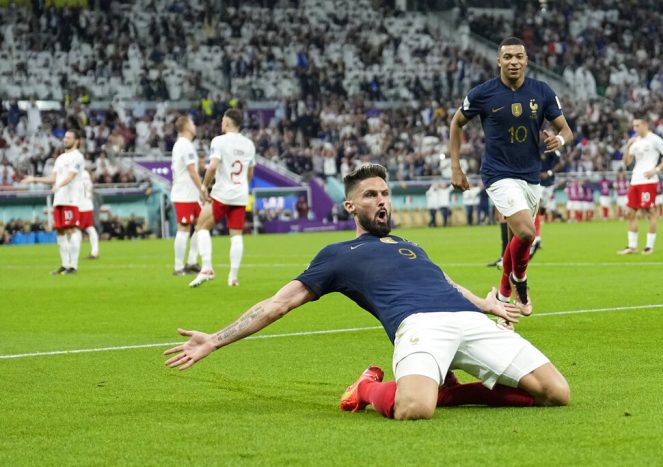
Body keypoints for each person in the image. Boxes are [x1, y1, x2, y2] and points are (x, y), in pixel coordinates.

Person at [164, 164, 570, 420]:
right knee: (414, 409)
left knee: (556, 394)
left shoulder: (410, 245)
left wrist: (486, 304)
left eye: (385, 194)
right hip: (418, 327)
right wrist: (215, 340)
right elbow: (278, 304)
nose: (382, 202)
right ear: (350, 207)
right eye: (371, 195)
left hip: (470, 321)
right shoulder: (338, 255)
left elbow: (444, 283)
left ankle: (446, 390)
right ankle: (366, 387)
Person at [449, 37, 573, 310]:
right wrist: (456, 167)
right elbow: (456, 123)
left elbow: (566, 130)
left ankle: (505, 296)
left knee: (518, 237)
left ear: (526, 60)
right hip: (498, 174)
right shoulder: (483, 93)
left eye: (518, 56)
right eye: (508, 57)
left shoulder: (542, 91)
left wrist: (559, 141)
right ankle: (520, 281)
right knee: (527, 233)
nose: (513, 62)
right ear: (499, 61)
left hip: (531, 176)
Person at [189, 108, 256, 288]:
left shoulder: (219, 141)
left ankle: (207, 268)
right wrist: (241, 185)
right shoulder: (249, 144)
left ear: (226, 122)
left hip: (222, 193)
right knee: (236, 235)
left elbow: (212, 167)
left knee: (201, 226)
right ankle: (233, 277)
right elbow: (250, 173)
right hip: (240, 194)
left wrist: (204, 185)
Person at [20, 129, 85, 274]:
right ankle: (64, 264)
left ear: (77, 141)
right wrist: (34, 179)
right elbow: (53, 178)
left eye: (68, 138)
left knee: (71, 229)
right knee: (60, 231)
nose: (65, 140)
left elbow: (71, 176)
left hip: (71, 199)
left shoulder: (78, 157)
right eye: (65, 137)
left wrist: (58, 185)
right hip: (59, 198)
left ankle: (73, 266)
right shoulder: (60, 158)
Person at [617, 116, 663, 255]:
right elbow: (626, 162)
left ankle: (649, 246)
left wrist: (657, 169)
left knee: (650, 213)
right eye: (633, 126)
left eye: (637, 126)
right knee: (630, 213)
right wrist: (628, 146)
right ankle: (632, 246)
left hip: (648, 181)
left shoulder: (655, 139)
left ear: (645, 125)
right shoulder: (635, 141)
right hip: (635, 180)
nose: (634, 129)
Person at [171, 115, 204, 276]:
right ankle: (178, 267)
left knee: (201, 225)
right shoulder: (184, 145)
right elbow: (191, 171)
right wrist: (203, 188)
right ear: (186, 127)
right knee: (184, 228)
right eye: (192, 123)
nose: (194, 125)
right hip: (184, 193)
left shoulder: (185, 145)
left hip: (191, 194)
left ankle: (191, 261)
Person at [77, 168, 99, 259]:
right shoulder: (87, 177)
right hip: (88, 205)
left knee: (76, 229)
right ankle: (95, 252)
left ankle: (74, 253)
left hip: (80, 206)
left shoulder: (78, 176)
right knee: (90, 228)